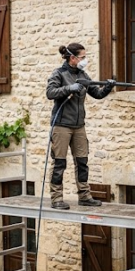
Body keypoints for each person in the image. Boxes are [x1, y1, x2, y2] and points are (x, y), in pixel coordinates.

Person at [46, 43, 115, 209]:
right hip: (61, 125)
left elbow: (96, 94)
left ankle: (84, 196)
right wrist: (70, 88)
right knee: (59, 163)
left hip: (79, 126)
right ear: (73, 58)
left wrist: (107, 87)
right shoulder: (59, 73)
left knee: (82, 161)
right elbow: (50, 93)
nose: (85, 60)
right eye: (82, 57)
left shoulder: (83, 75)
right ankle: (56, 199)